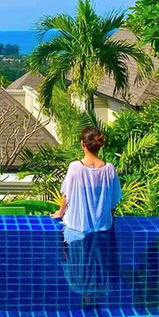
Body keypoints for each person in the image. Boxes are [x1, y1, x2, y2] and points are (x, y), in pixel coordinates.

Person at [52, 127, 122, 307]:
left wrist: (60, 213)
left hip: (78, 229)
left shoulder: (75, 168)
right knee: (99, 267)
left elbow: (66, 195)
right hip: (102, 230)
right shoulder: (109, 169)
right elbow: (114, 200)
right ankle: (95, 305)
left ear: (83, 144)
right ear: (98, 146)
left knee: (73, 262)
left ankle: (87, 305)